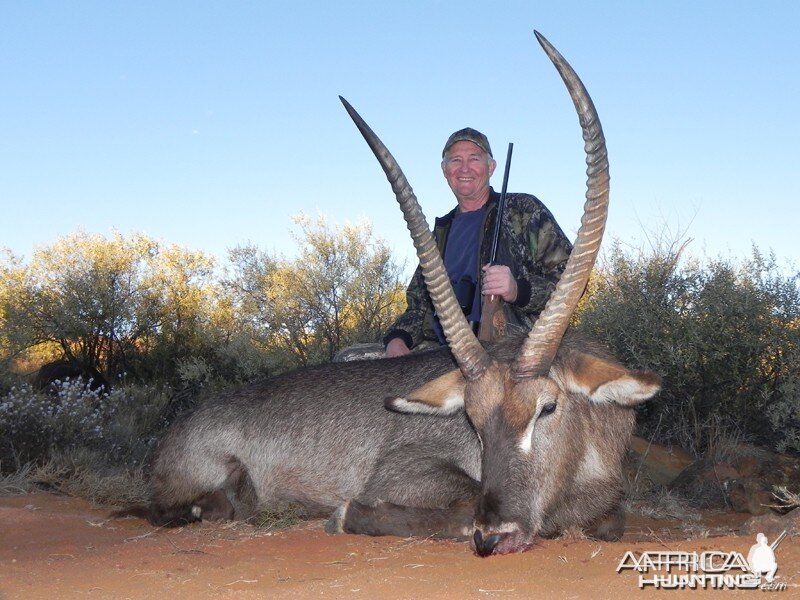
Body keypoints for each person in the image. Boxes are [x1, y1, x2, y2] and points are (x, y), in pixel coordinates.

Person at [384, 127, 572, 357]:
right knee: (351, 361)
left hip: (510, 354)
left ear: (490, 167)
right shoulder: (440, 234)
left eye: (474, 159)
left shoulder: (524, 211)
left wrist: (519, 290)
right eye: (455, 160)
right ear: (445, 170)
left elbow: (570, 281)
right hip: (442, 356)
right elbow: (417, 304)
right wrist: (398, 338)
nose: (464, 168)